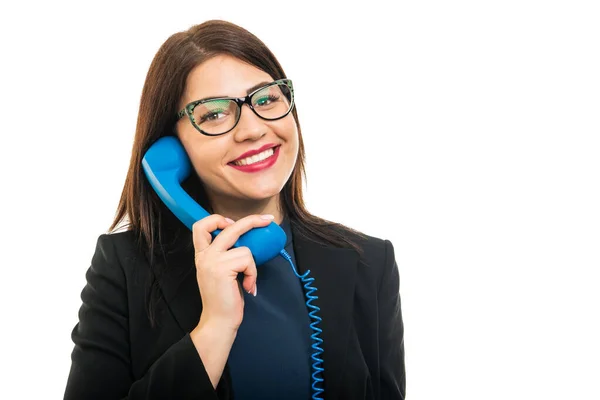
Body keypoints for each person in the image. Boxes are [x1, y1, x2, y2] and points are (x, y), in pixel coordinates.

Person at [64, 19, 405, 400]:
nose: (252, 130)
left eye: (265, 99)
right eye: (213, 114)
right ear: (171, 148)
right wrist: (214, 328)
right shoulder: (124, 267)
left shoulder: (369, 262)